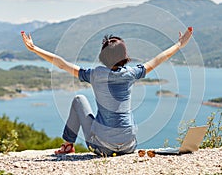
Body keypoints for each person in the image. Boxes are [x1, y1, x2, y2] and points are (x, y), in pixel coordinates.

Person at [21, 27, 193, 156]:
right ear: (124, 56)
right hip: (129, 146)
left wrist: (34, 49)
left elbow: (61, 63)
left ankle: (68, 145)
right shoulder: (131, 73)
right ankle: (74, 144)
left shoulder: (95, 74)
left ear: (103, 56)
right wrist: (179, 44)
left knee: (79, 100)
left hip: (103, 147)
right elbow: (158, 59)